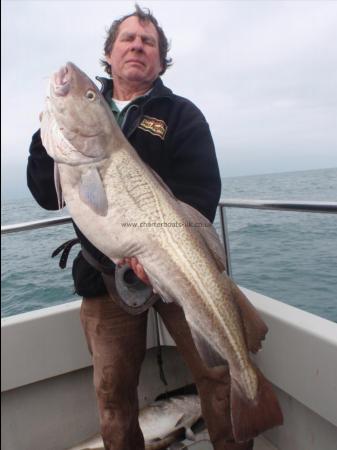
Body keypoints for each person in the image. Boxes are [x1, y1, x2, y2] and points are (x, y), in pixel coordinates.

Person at [27, 5, 253, 450]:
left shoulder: (182, 114)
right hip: (104, 274)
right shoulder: (68, 136)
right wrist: (46, 138)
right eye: (127, 39)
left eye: (148, 42)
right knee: (113, 395)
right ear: (109, 54)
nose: (137, 46)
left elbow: (202, 191)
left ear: (160, 59)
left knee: (219, 374)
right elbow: (46, 195)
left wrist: (156, 247)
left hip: (175, 259)